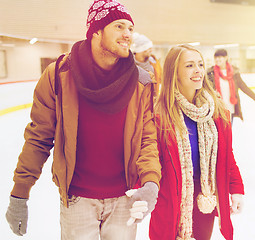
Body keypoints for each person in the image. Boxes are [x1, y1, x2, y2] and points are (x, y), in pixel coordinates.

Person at [5, 0, 161, 239]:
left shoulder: (141, 82)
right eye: (119, 26)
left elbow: (147, 139)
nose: (128, 34)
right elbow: (39, 137)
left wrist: (151, 182)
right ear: (96, 31)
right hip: (77, 199)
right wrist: (19, 194)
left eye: (130, 28)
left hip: (124, 198)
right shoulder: (59, 75)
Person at [149, 44, 245, 240]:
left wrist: (236, 188)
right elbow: (149, 159)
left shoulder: (216, 112)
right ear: (173, 72)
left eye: (200, 64)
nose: (198, 70)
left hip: (204, 197)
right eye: (189, 65)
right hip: (170, 198)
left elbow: (227, 155)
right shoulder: (160, 116)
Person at [207, 48, 255, 123]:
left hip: (230, 109)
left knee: (229, 133)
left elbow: (245, 88)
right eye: (216, 57)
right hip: (217, 110)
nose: (217, 59)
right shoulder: (210, 73)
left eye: (220, 57)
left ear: (226, 58)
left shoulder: (234, 73)